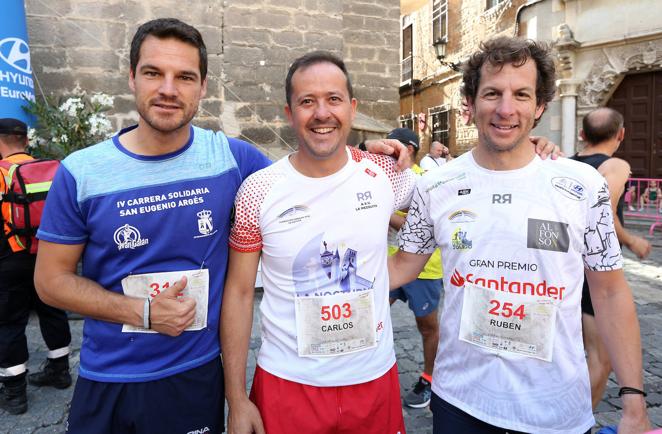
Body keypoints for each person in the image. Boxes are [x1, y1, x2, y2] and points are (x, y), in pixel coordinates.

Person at [389, 36, 650, 434]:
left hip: (555, 411)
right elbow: (400, 267)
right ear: (471, 104)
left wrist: (633, 399)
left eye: (521, 94)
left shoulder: (581, 185)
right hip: (460, 403)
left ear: (540, 105)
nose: (506, 109)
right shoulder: (436, 186)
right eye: (492, 93)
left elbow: (611, 292)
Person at [32, 18, 272, 433]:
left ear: (203, 86)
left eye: (184, 77)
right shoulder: (82, 173)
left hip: (194, 377)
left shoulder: (232, 160)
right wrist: (142, 311)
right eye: (153, 73)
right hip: (109, 379)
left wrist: (367, 158)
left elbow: (309, 184)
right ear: (131, 78)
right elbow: (50, 281)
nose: (167, 89)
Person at [221, 51, 417, 434]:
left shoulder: (383, 173)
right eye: (307, 101)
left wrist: (536, 153)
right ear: (288, 112)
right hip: (288, 385)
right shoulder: (257, 191)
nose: (321, 113)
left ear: (352, 108)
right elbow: (240, 293)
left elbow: (456, 191)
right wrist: (236, 399)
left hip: (374, 380)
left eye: (333, 99)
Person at [572, 107, 652, 409]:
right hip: (594, 275)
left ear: (582, 135)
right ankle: (575, 423)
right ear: (621, 134)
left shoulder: (567, 163)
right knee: (600, 359)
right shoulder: (616, 164)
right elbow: (603, 212)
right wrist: (632, 239)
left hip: (564, 270)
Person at [0, 118, 72, 415]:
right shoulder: (50, 169)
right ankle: (60, 370)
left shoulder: (2, 172)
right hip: (47, 253)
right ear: (25, 141)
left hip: (10, 257)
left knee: (9, 321)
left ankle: (15, 393)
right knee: (52, 308)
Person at [386, 127, 444, 409]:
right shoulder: (383, 178)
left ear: (408, 149)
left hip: (425, 269)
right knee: (372, 314)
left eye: (392, 144)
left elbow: (418, 227)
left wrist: (383, 213)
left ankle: (430, 379)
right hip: (390, 264)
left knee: (428, 327)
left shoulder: (425, 180)